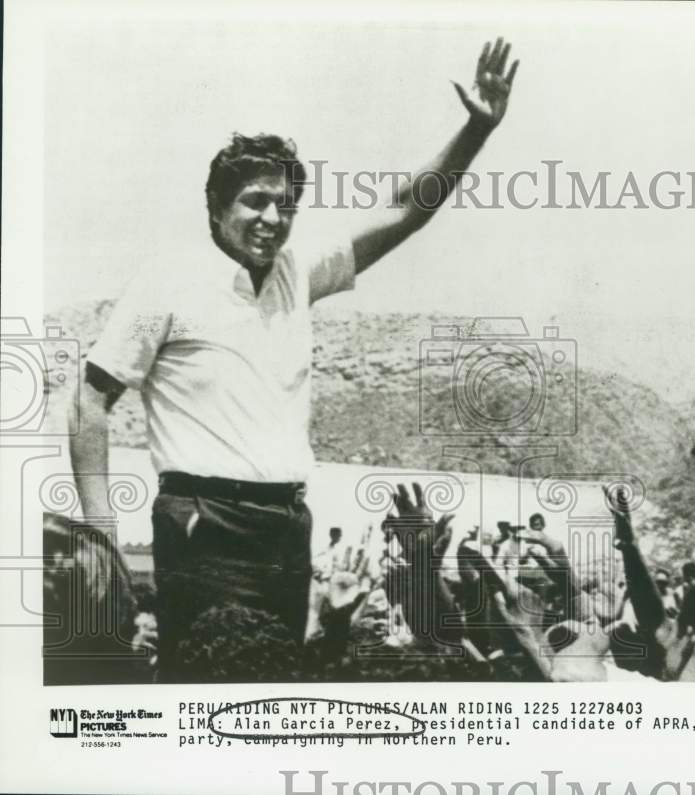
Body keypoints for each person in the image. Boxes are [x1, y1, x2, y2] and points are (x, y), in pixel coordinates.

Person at [69, 38, 520, 682]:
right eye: (255, 200)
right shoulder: (165, 280)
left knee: (279, 691)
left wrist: (476, 128)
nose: (272, 218)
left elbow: (404, 212)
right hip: (203, 522)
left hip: (286, 525)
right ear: (218, 207)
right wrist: (101, 537)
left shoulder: (296, 271)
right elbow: (89, 400)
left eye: (285, 205)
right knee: (203, 694)